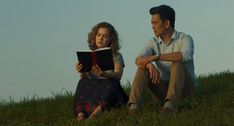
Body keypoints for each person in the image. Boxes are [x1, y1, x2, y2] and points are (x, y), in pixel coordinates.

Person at [128, 5, 196, 116]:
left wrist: (157, 57)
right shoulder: (153, 42)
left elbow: (186, 55)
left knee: (177, 64)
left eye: (155, 23)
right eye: (151, 23)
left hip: (185, 90)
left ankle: (170, 108)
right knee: (143, 68)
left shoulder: (185, 38)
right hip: (164, 89)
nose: (152, 27)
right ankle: (134, 109)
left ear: (167, 23)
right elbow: (138, 60)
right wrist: (149, 64)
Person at [74, 22, 128, 123]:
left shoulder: (116, 56)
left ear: (110, 40)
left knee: (109, 83)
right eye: (98, 35)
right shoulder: (90, 55)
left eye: (105, 36)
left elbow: (118, 75)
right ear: (94, 37)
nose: (101, 38)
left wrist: (103, 74)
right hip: (93, 88)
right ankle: (80, 114)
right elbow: (85, 77)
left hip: (110, 89)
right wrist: (81, 71)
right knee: (82, 82)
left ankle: (94, 116)